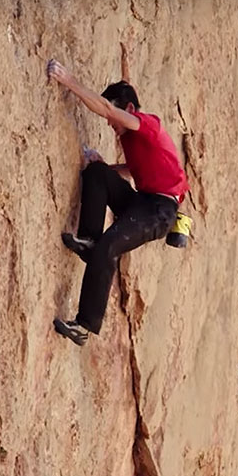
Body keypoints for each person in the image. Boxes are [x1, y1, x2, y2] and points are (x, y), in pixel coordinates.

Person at [46, 59, 189, 346]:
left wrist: (68, 80)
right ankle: (88, 240)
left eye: (114, 118)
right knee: (97, 173)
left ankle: (84, 326)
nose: (110, 123)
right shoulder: (134, 141)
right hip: (142, 202)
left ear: (130, 110)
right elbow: (136, 170)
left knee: (110, 246)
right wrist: (108, 167)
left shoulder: (146, 124)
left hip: (160, 212)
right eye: (110, 121)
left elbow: (108, 109)